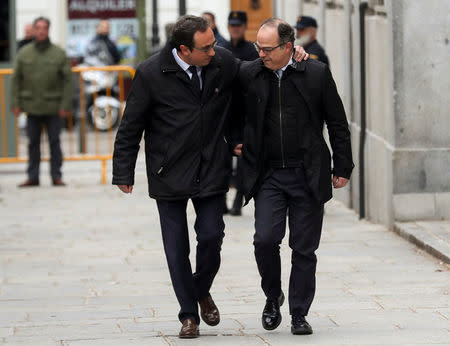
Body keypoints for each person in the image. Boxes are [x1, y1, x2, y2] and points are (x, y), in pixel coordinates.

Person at [113, 14, 308, 338]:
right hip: (168, 172)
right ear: (184, 50)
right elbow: (131, 124)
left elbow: (256, 68)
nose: (214, 51)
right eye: (206, 47)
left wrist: (295, 55)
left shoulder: (221, 63)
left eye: (214, 43)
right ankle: (189, 315)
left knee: (211, 237)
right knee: (176, 249)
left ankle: (200, 288)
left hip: (211, 167)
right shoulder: (150, 73)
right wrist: (124, 169)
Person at [232, 18, 354, 335]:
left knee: (304, 248)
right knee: (265, 240)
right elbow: (232, 113)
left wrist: (342, 167)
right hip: (269, 174)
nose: (260, 53)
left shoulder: (315, 73)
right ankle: (273, 297)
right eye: (258, 46)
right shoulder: (249, 73)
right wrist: (234, 141)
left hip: (307, 174)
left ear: (288, 47)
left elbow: (337, 122)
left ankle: (299, 313)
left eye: (268, 48)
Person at [11, 17, 73, 187]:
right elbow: (16, 79)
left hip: (54, 107)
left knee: (55, 142)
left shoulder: (58, 53)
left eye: (44, 27)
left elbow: (68, 80)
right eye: (38, 27)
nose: (41, 31)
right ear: (33, 29)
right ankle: (33, 177)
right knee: (33, 144)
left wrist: (65, 105)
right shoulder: (24, 53)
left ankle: (56, 175)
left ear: (48, 30)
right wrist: (15, 103)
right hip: (31, 107)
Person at [221, 10, 259, 216]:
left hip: (245, 113)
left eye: (238, 25)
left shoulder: (252, 51)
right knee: (223, 160)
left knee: (244, 159)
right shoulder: (221, 49)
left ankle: (238, 201)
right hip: (225, 113)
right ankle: (222, 203)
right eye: (232, 25)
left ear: (244, 27)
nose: (235, 29)